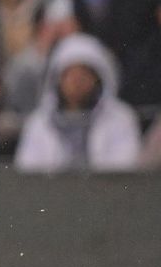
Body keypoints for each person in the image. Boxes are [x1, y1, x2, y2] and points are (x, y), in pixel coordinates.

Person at [15, 32, 141, 171]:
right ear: (58, 80)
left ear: (97, 78)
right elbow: (27, 172)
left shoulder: (121, 118)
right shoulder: (39, 122)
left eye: (84, 74)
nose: (77, 82)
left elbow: (125, 170)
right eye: (70, 74)